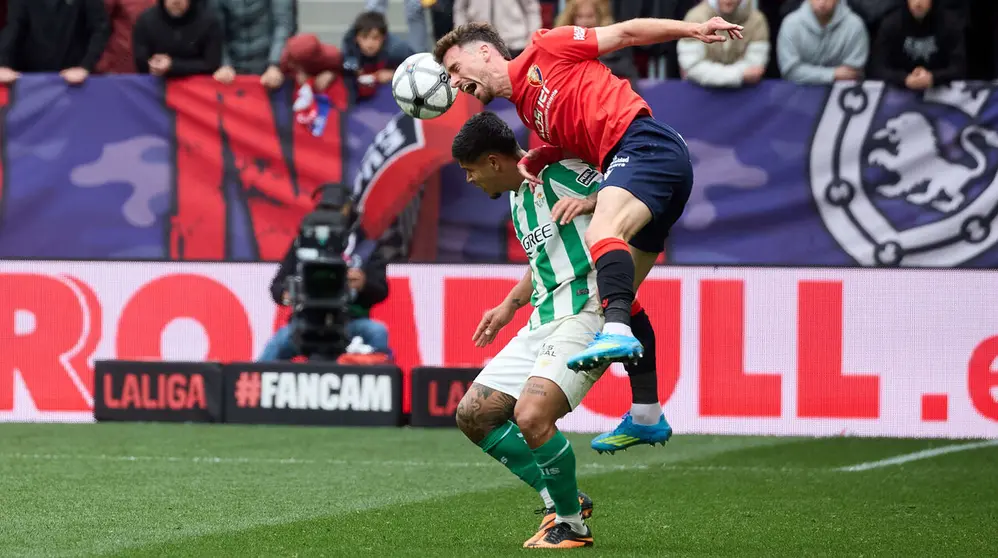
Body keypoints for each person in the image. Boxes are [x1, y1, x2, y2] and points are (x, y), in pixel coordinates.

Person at [433, 17, 739, 445]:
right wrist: (545, 154)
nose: (452, 81)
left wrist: (692, 30)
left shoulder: (546, 47)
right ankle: (647, 414)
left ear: (484, 52)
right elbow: (585, 149)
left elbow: (626, 33)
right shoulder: (529, 112)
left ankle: (615, 332)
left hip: (645, 144)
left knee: (601, 237)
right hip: (636, 164)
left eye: (453, 67)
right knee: (616, 293)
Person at [451, 111, 611, 548]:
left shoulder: (558, 174)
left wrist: (593, 200)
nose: (469, 179)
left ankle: (572, 526)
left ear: (493, 161)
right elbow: (544, 260)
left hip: (587, 312)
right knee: (474, 414)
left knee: (532, 415)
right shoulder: (516, 199)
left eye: (470, 170)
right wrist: (509, 305)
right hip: (543, 318)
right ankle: (560, 499)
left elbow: (631, 193)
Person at [258, 187, 392, 361]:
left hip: (349, 322)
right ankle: (255, 377)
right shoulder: (303, 243)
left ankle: (379, 376)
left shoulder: (365, 248)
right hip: (307, 323)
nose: (331, 216)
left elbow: (381, 290)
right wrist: (287, 294)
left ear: (350, 211)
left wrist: (364, 283)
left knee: (377, 331)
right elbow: (277, 286)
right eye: (325, 210)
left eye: (336, 210)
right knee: (278, 343)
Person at [869, 0, 966, 90]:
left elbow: (960, 67)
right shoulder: (891, 24)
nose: (918, 2)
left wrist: (933, 77)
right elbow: (877, 67)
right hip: (900, 90)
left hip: (941, 90)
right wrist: (904, 78)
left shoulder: (950, 23)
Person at [776, 0, 869, 85]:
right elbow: (790, 72)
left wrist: (806, 74)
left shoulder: (855, 26)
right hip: (797, 93)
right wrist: (833, 74)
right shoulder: (790, 24)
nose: (822, 2)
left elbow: (851, 74)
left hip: (841, 93)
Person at [132, 0, 222, 77]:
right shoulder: (146, 20)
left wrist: (173, 66)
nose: (176, 1)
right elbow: (141, 62)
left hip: (196, 84)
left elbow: (212, 64)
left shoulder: (209, 21)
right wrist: (154, 65)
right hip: (157, 82)